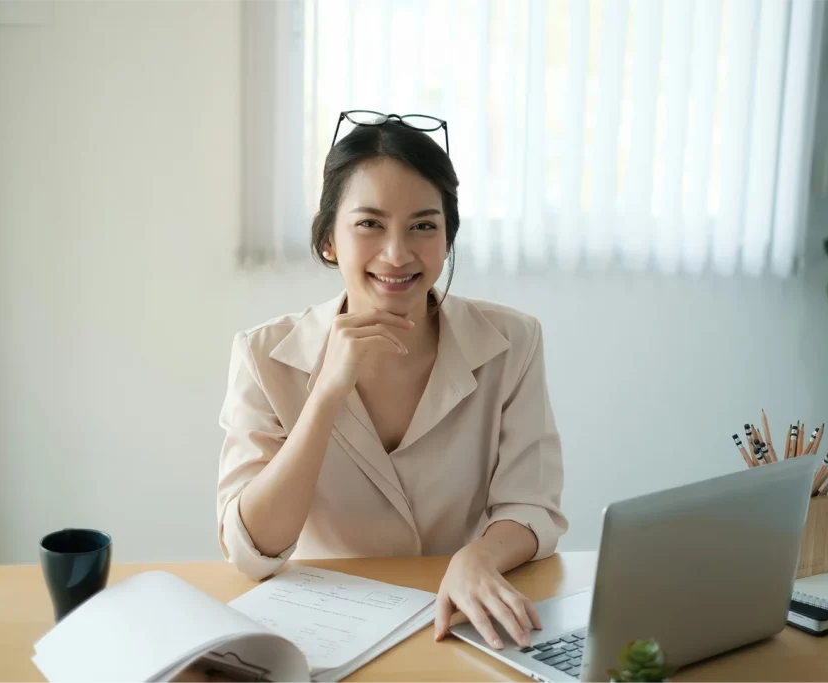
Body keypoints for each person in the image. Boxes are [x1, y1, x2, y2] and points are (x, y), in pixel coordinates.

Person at [216, 113, 567, 652]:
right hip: (321, 635)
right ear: (328, 239)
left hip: (455, 626)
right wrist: (327, 392)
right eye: (370, 224)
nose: (398, 254)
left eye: (424, 225)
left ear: (448, 237)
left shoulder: (513, 341)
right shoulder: (265, 355)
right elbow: (251, 548)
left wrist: (478, 557)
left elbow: (531, 505)